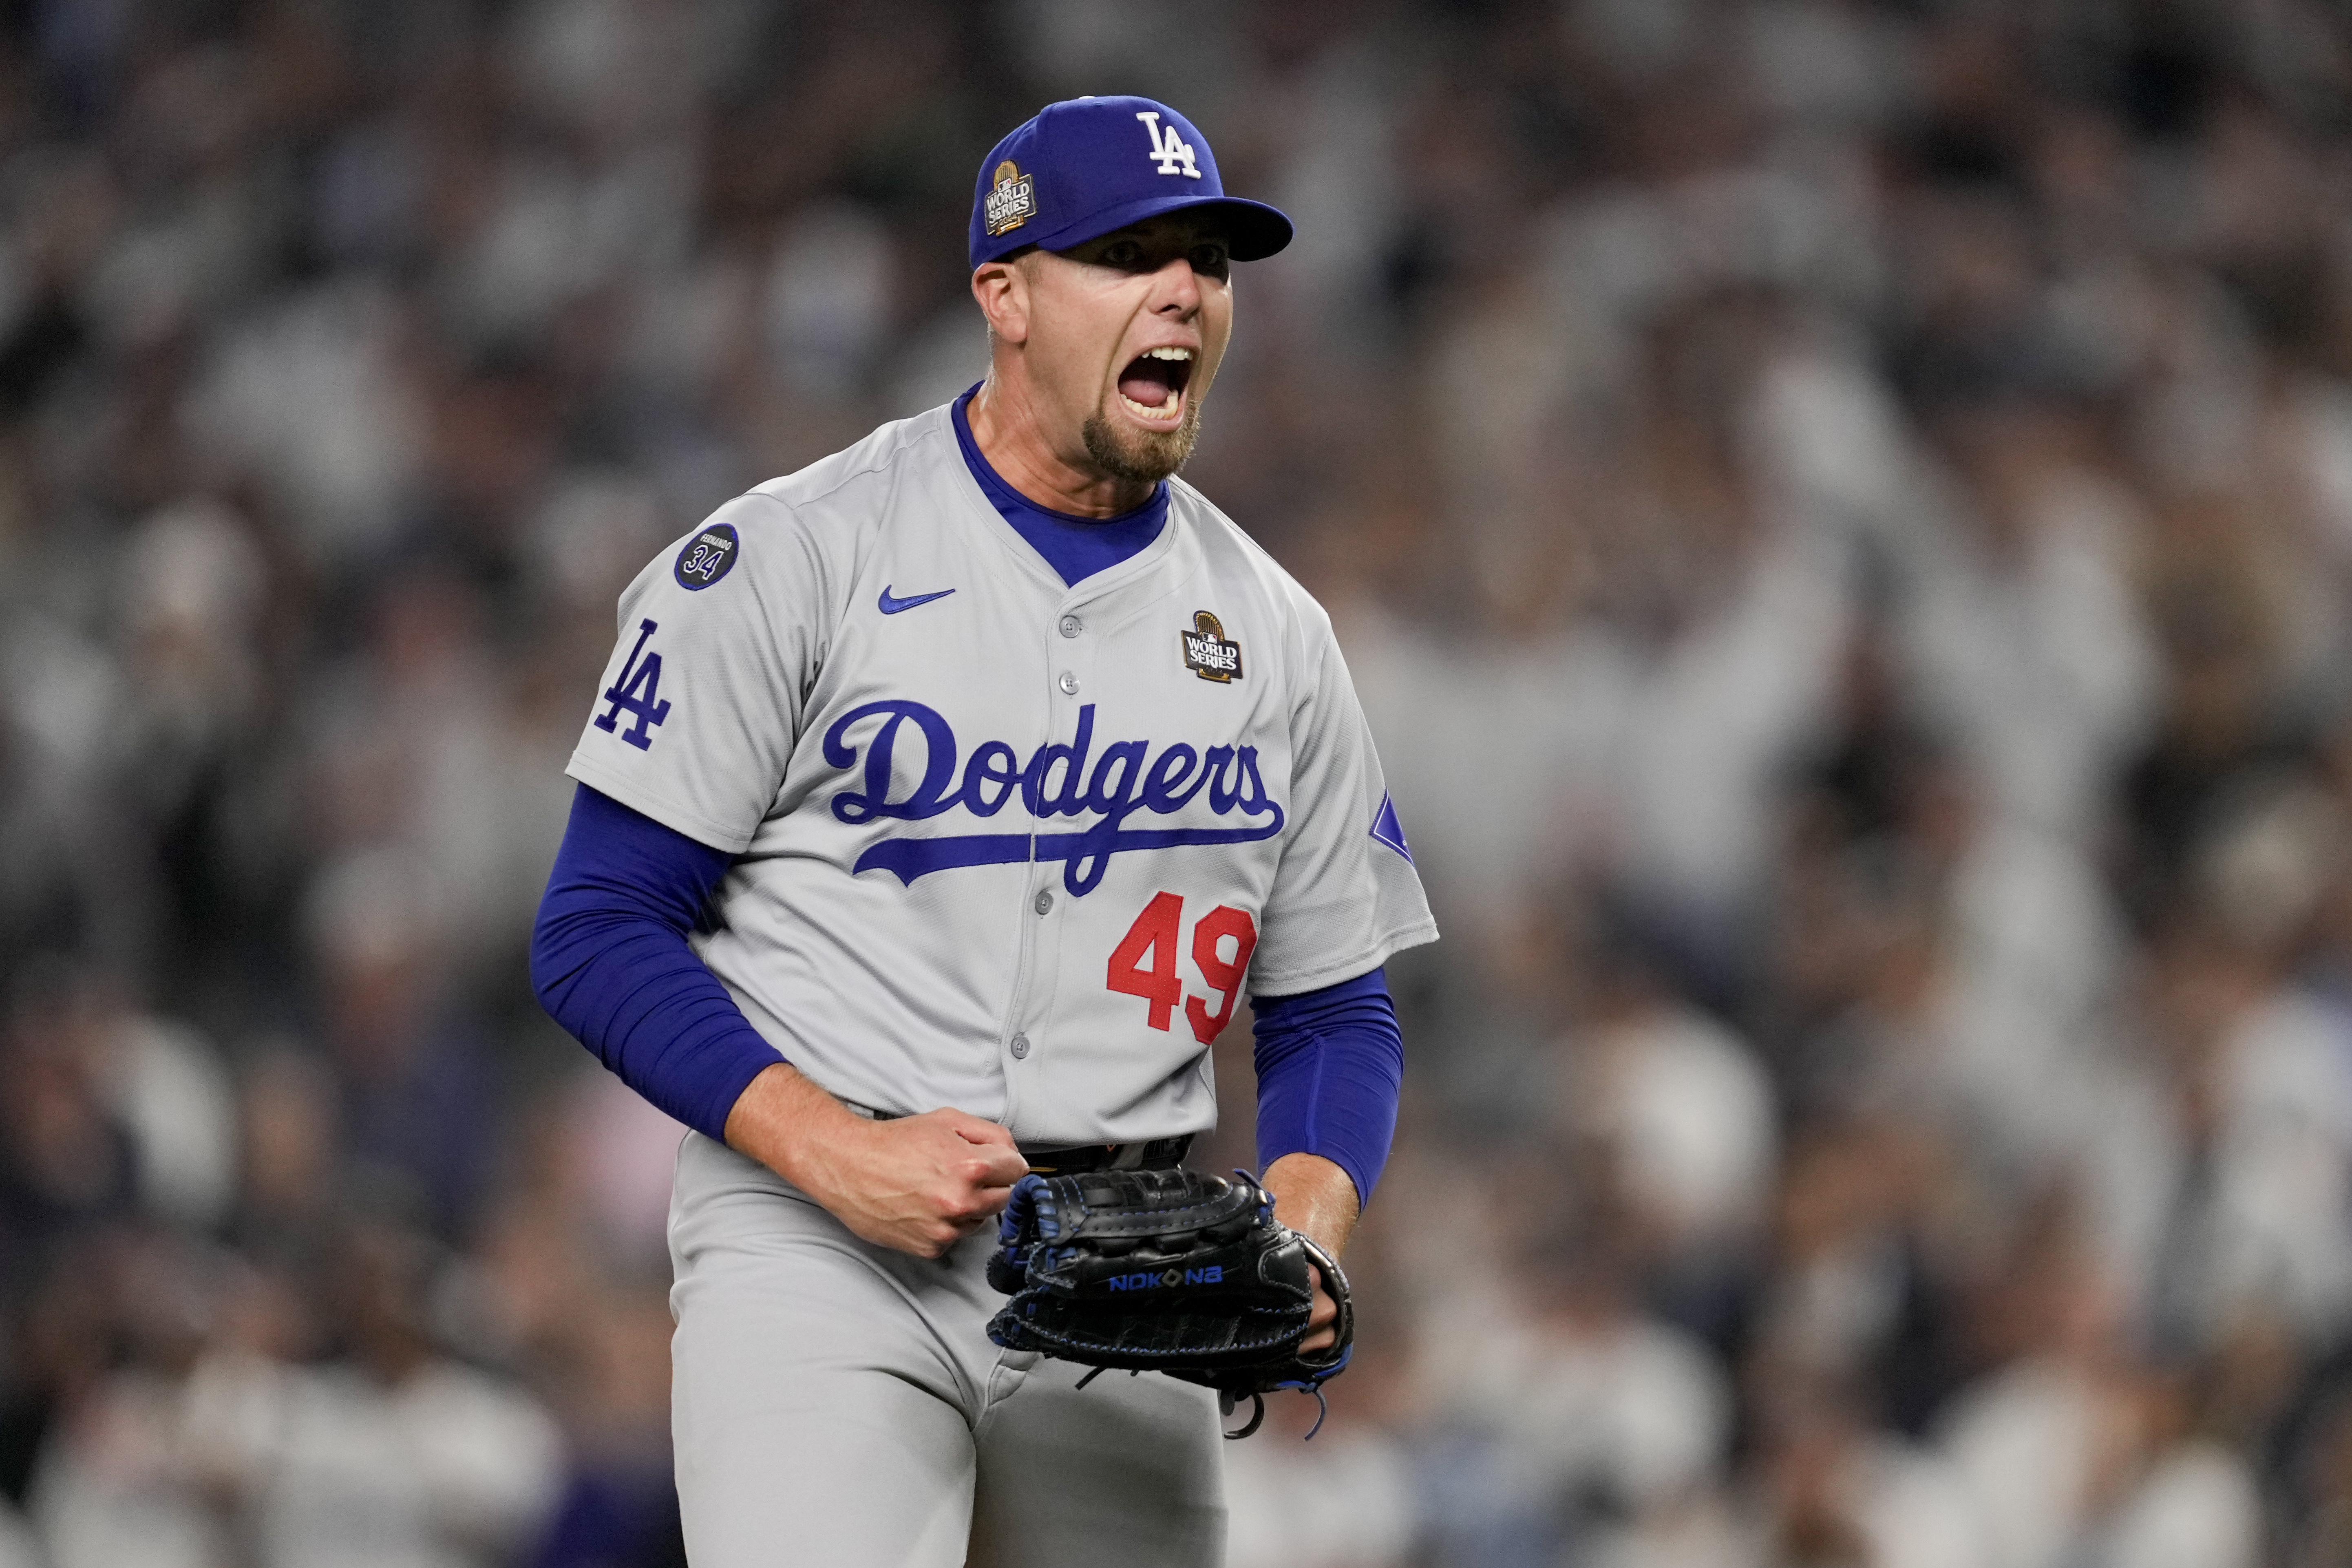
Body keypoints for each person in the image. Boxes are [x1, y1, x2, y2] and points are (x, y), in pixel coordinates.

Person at [531, 95, 1436, 1568]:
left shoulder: (1275, 634)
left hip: (1129, 1275)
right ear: (1003, 296)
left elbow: (1334, 1006)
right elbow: (596, 927)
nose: (1184, 294)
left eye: (1207, 261)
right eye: (1127, 255)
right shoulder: (791, 558)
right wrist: (827, 1148)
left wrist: (1309, 1223)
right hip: (818, 1244)